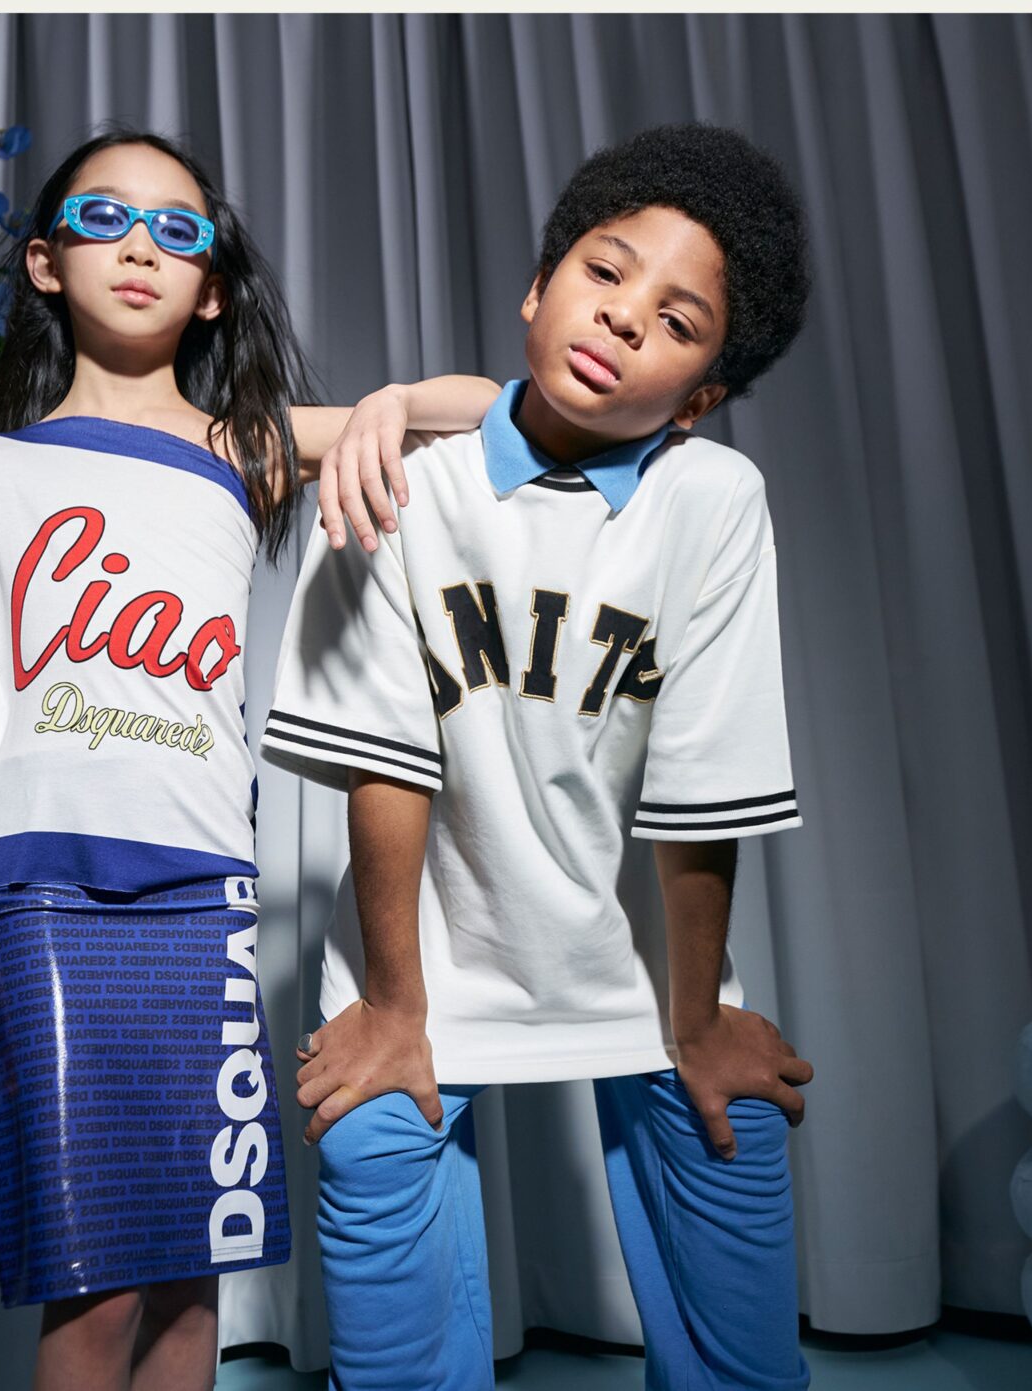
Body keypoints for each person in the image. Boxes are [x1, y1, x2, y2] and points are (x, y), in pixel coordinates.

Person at [0, 126, 500, 1391]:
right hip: (49, 895)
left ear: (212, 286)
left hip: (204, 895)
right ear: (45, 262)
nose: (139, 247)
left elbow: (493, 413)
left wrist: (389, 404)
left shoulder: (244, 449)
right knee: (96, 1282)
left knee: (192, 1275)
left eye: (175, 230)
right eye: (104, 218)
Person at [259, 121, 819, 1390]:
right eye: (604, 271)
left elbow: (698, 784)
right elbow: (386, 765)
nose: (622, 316)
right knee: (371, 1180)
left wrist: (695, 1020)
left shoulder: (709, 503)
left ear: (700, 398)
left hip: (643, 966)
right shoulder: (404, 477)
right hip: (421, 958)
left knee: (735, 1180)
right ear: (537, 285)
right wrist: (395, 1009)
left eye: (675, 322)